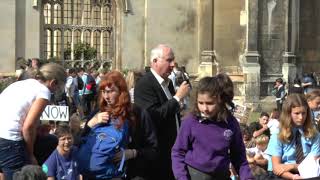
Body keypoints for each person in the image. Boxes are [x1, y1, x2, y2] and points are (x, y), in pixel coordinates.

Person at [171, 75, 253, 180]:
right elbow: (178, 152)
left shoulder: (231, 123)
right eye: (201, 103)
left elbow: (239, 156)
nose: (205, 108)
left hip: (221, 175)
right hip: (195, 175)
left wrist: (247, 177)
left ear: (220, 100)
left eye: (210, 103)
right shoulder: (191, 121)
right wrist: (182, 177)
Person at [0, 63, 66, 180]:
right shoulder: (44, 91)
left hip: (4, 137)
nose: (56, 91)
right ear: (53, 82)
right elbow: (28, 127)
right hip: (9, 141)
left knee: (50, 140)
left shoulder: (20, 84)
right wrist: (30, 155)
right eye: (58, 87)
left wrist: (37, 130)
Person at [134, 44, 190, 180]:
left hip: (172, 152)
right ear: (155, 61)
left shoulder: (168, 83)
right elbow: (153, 116)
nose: (173, 65)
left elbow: (168, 111)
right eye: (169, 60)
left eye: (173, 60)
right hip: (157, 157)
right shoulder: (145, 84)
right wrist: (177, 98)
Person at [79, 71, 131, 180]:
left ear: (121, 92)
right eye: (103, 92)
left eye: (110, 91)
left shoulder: (133, 114)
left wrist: (132, 153)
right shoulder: (97, 112)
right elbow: (80, 140)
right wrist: (90, 124)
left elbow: (151, 148)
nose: (106, 96)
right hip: (87, 174)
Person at [267, 94, 320, 179]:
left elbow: (314, 164)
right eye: (297, 113)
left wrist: (293, 166)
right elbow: (276, 167)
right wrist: (293, 177)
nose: (301, 117)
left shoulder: (314, 134)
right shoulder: (278, 135)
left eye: (304, 113)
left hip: (309, 173)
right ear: (288, 114)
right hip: (284, 174)